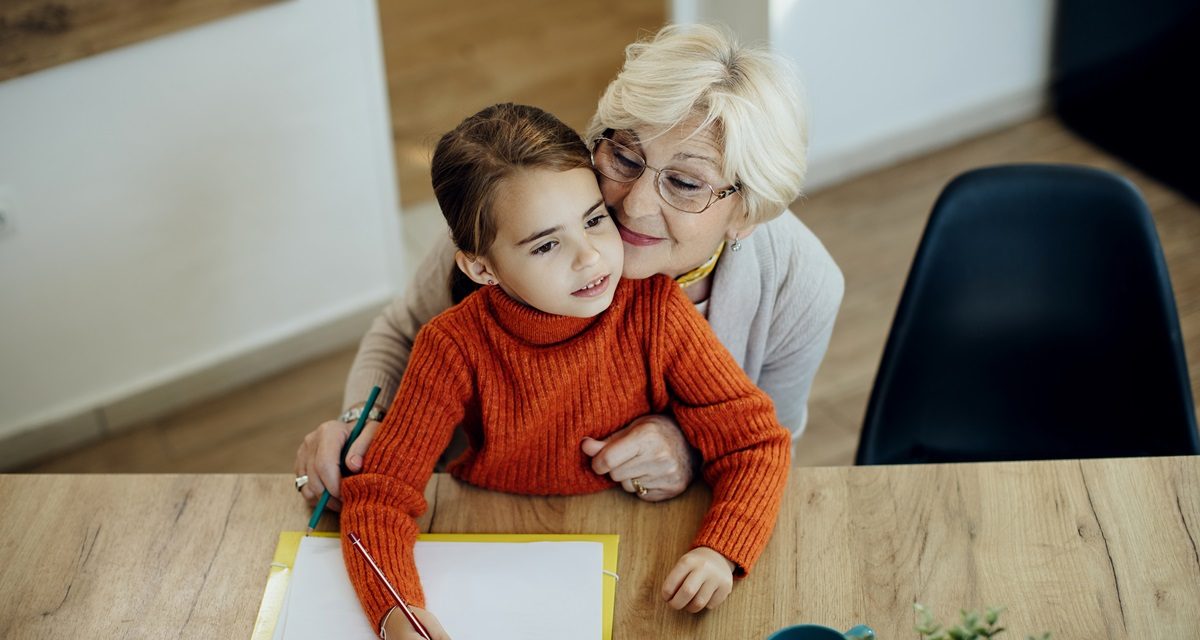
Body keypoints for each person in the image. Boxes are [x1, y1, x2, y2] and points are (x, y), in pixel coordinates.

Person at [294, 22, 842, 511]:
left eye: (685, 183)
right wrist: (362, 423)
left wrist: (690, 452)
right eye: (625, 156)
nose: (633, 206)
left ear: (747, 213)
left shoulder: (802, 285)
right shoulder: (519, 224)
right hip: (484, 501)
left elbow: (771, 442)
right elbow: (401, 331)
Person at [343, 102, 791, 639]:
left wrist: (722, 551)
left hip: (638, 541)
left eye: (595, 220)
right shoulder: (451, 347)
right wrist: (396, 611)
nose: (591, 259)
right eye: (548, 244)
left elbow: (755, 443)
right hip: (484, 538)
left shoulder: (655, 310)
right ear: (481, 267)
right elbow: (380, 493)